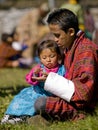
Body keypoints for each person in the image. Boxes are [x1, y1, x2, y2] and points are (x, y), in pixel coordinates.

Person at [32, 8, 98, 122]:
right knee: (35, 97)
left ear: (71, 32)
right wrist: (47, 77)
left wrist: (51, 81)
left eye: (58, 35)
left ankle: (73, 116)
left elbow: (84, 94)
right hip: (69, 98)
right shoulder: (69, 47)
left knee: (41, 103)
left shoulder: (86, 51)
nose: (55, 40)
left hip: (85, 105)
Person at [1, 40, 66, 124]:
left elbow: (63, 83)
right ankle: (9, 115)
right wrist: (35, 74)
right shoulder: (39, 68)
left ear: (59, 55)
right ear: (39, 58)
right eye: (44, 58)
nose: (48, 60)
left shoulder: (62, 69)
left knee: (32, 105)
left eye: (52, 56)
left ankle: (22, 118)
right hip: (34, 91)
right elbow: (29, 78)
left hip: (47, 95)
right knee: (20, 98)